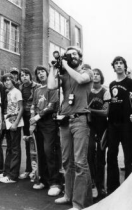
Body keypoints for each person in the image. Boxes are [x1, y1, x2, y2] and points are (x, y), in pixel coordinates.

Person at [48, 46, 93, 210]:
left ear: (80, 57)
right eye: (69, 54)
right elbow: (51, 86)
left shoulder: (88, 70)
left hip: (80, 119)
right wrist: (54, 67)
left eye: (75, 53)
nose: (71, 56)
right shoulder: (65, 73)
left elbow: (81, 80)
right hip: (65, 120)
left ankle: (79, 203)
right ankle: (68, 195)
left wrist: (65, 65)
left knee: (80, 163)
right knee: (67, 161)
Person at [30, 65, 62, 196]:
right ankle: (42, 179)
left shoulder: (52, 87)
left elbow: (52, 105)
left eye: (43, 71)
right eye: (38, 72)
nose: (41, 74)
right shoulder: (37, 89)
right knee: (40, 153)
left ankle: (55, 183)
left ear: (47, 73)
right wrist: (32, 118)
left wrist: (37, 116)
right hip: (38, 124)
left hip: (49, 123)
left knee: (49, 151)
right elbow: (32, 105)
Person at [106, 56, 132, 195]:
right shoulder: (111, 84)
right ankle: (112, 187)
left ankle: (129, 188)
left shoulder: (131, 82)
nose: (118, 65)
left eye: (121, 63)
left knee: (128, 156)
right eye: (116, 63)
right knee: (111, 155)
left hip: (126, 123)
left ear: (125, 66)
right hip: (112, 123)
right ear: (113, 67)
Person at [87, 68, 110, 199]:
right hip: (89, 126)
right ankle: (93, 184)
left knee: (101, 158)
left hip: (102, 127)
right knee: (90, 154)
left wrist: (90, 110)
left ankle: (101, 186)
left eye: (97, 74)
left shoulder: (105, 92)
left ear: (101, 77)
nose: (95, 76)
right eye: (93, 74)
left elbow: (106, 112)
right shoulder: (87, 91)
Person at [0, 73, 23, 184]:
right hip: (8, 121)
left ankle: (13, 176)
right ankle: (7, 172)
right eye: (5, 81)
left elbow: (21, 108)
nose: (7, 82)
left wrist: (16, 122)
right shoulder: (7, 92)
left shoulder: (17, 92)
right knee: (9, 147)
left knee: (15, 148)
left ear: (13, 81)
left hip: (15, 123)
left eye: (9, 80)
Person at [18, 68, 40, 180]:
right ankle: (28, 169)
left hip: (35, 118)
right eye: (22, 75)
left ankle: (37, 172)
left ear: (30, 76)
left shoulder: (36, 87)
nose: (24, 77)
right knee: (27, 144)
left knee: (36, 145)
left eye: (26, 74)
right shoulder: (20, 87)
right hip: (24, 118)